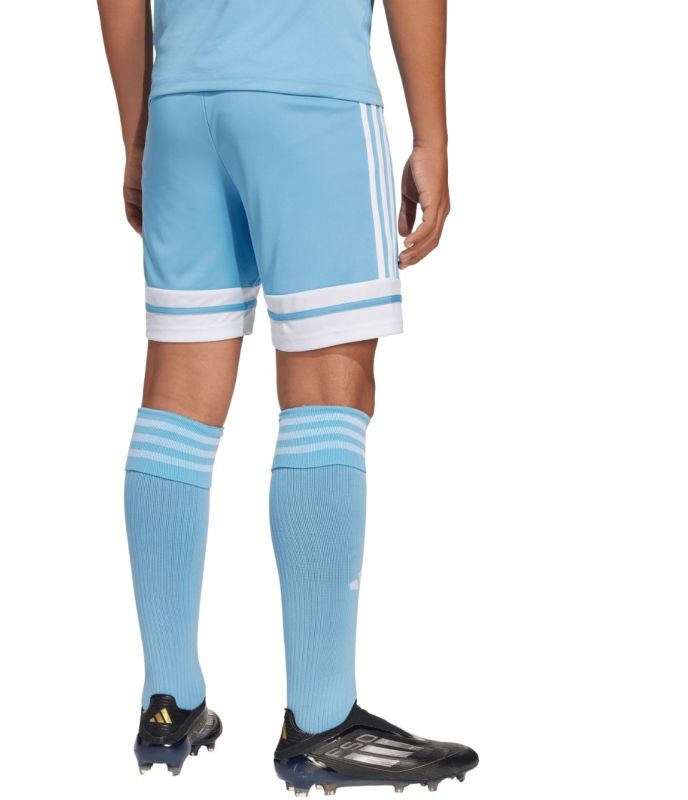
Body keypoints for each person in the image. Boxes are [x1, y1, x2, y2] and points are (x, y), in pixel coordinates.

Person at [98, 0, 478, 793]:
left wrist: (139, 132)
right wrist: (432, 138)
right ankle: (322, 718)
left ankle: (168, 698)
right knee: (329, 387)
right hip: (313, 101)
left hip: (183, 107)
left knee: (177, 395)